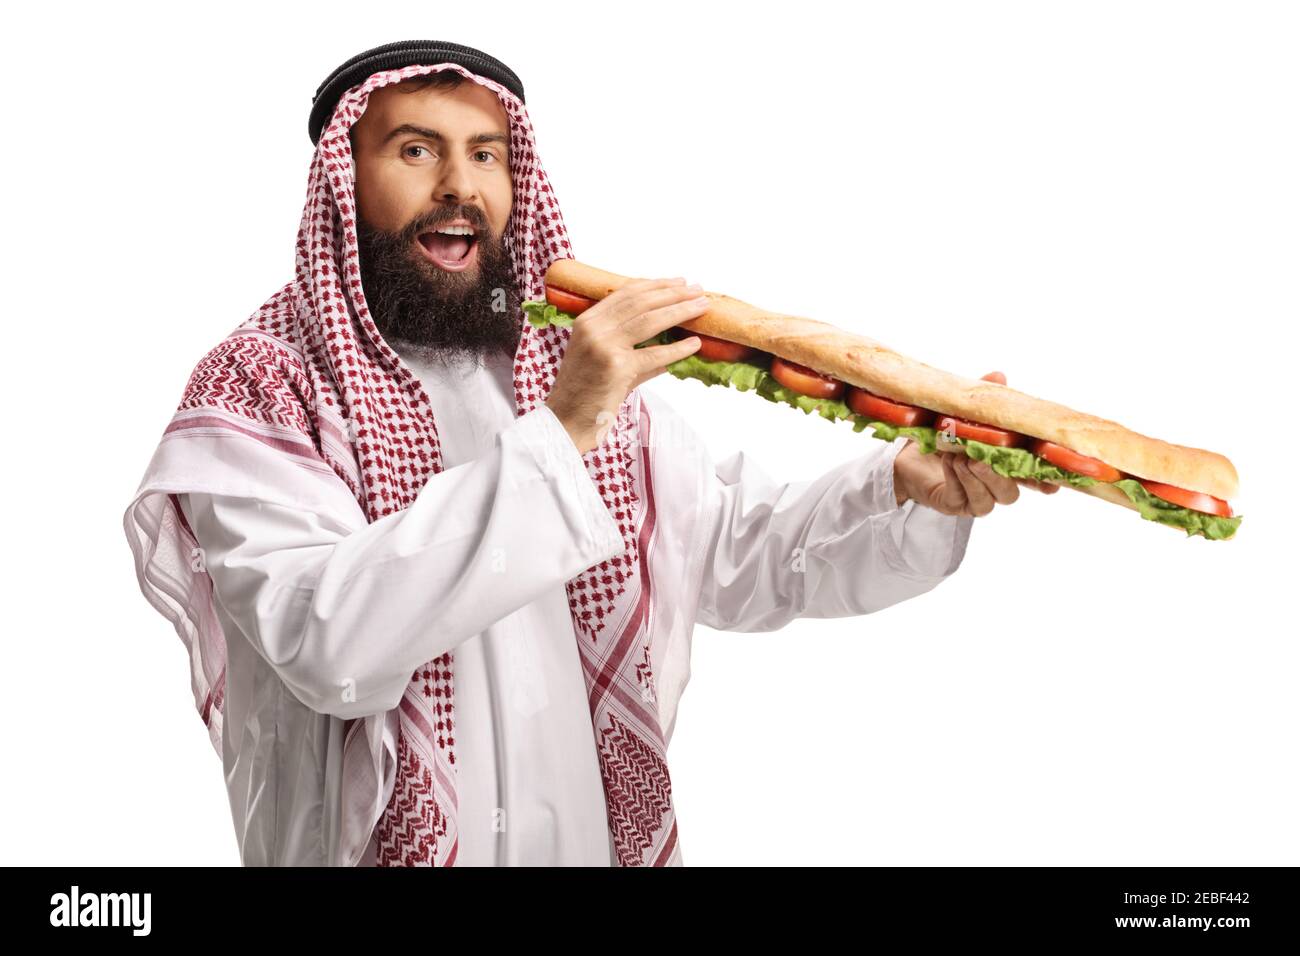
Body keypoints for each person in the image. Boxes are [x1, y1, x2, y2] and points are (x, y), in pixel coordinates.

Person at [122, 40, 1055, 867]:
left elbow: (750, 555)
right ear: (343, 180)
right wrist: (563, 427)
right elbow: (325, 636)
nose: (461, 185)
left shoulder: (563, 370)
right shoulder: (261, 385)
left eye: (486, 154)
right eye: (417, 150)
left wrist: (904, 488)